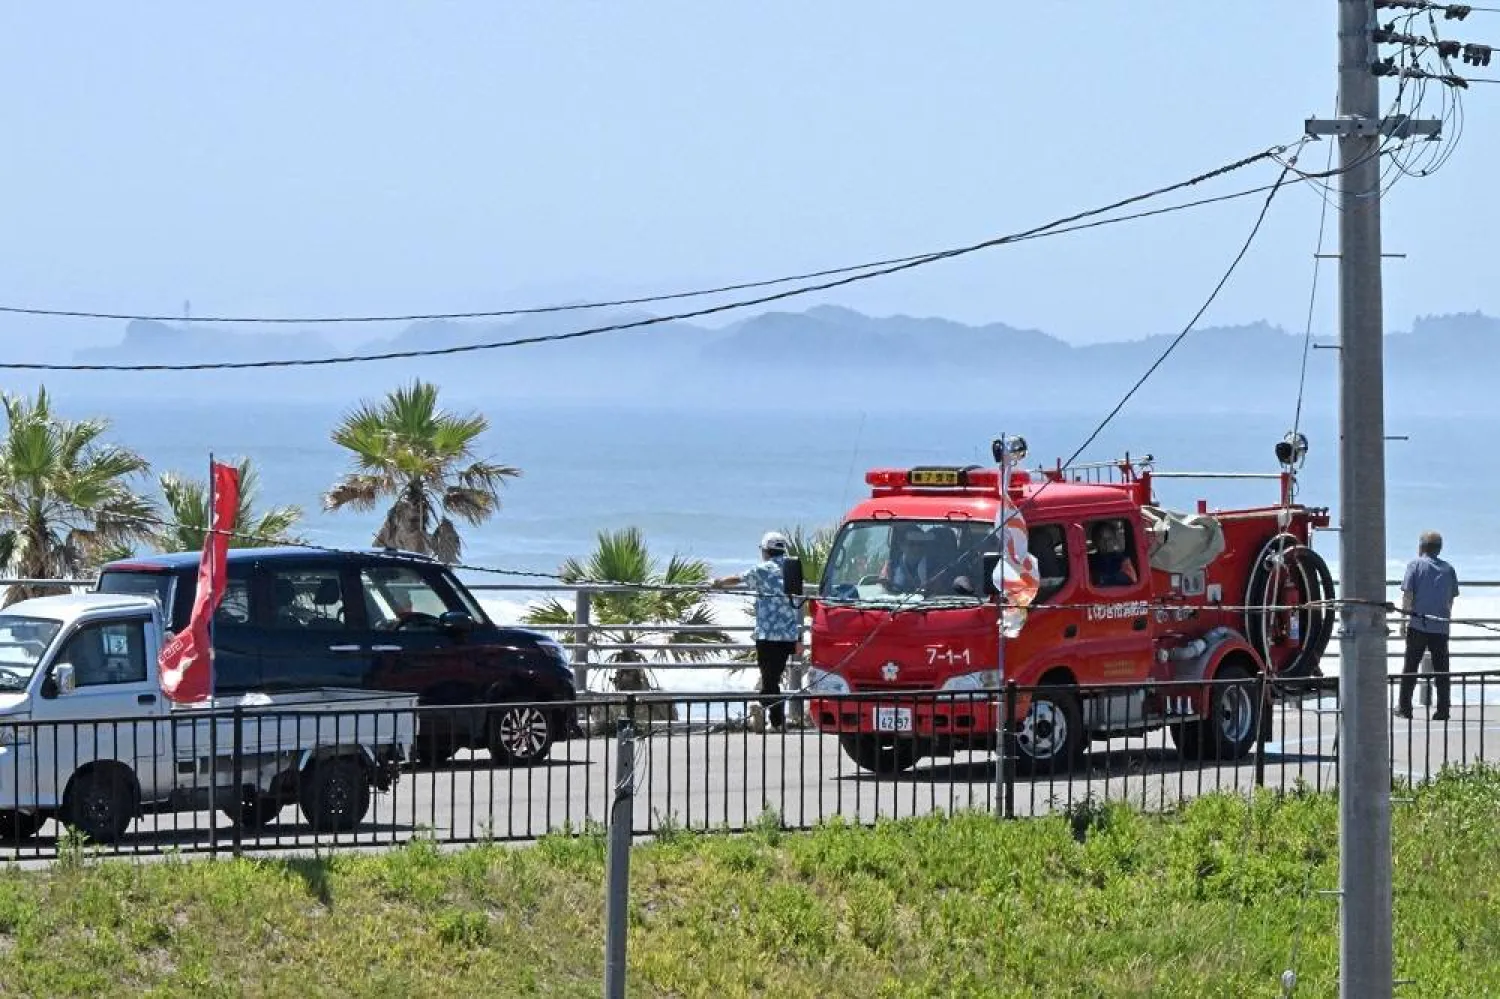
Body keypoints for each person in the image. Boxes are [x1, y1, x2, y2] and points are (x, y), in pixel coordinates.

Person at [711, 531, 802, 730]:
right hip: (788, 633)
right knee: (773, 677)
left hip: (767, 634)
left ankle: (772, 718)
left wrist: (717, 582)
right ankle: (773, 718)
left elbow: (738, 578)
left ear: (766, 551)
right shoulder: (792, 568)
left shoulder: (763, 569)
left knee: (769, 678)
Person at [1397, 530, 1460, 722]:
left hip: (1418, 624)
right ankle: (1443, 709)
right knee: (1442, 670)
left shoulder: (1414, 565)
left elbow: (1408, 595)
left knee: (1410, 667)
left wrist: (1403, 621)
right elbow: (1450, 599)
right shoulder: (1448, 569)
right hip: (1440, 626)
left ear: (1422, 546)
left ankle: (1405, 708)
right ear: (1439, 548)